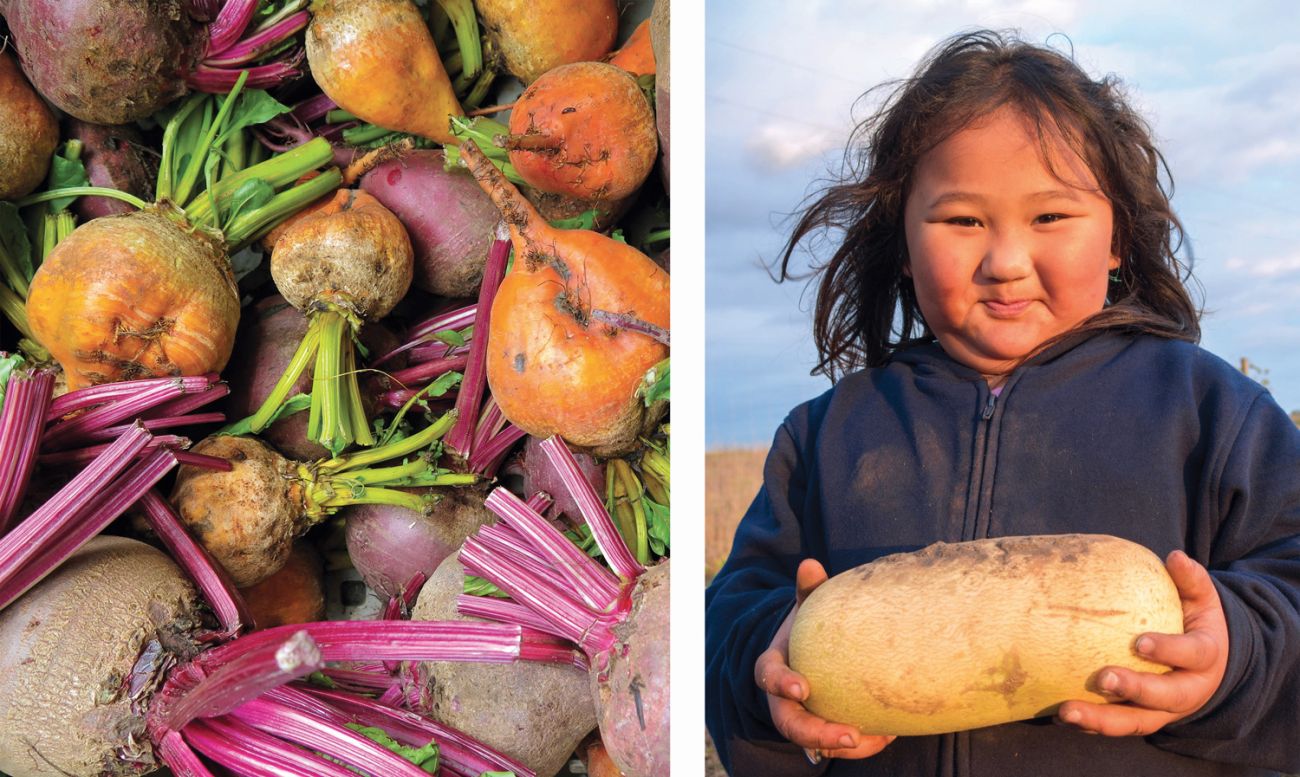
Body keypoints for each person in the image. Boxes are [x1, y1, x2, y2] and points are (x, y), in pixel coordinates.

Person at [704, 29, 1300, 777]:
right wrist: (771, 671)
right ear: (902, 240)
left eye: (1050, 217)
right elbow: (724, 628)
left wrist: (1236, 655)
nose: (1006, 264)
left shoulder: (1215, 415)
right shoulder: (826, 436)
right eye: (962, 221)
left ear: (1117, 236)